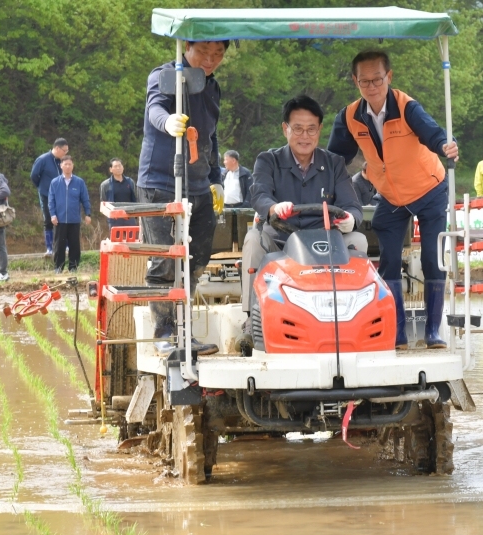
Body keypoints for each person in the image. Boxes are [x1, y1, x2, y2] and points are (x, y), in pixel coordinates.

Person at [328, 50, 459, 350]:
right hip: (390, 194)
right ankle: (397, 333)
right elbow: (335, 159)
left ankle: (433, 333)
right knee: (388, 260)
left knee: (431, 259)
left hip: (429, 189)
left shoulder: (406, 106)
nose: (372, 87)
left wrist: (445, 146)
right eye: (364, 81)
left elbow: (432, 133)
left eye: (377, 79)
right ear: (355, 81)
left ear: (389, 77)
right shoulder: (349, 116)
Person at [138, 40, 229, 356]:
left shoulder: (212, 87)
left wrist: (216, 179)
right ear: (186, 49)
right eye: (204, 52)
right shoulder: (166, 76)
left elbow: (212, 138)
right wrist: (168, 122)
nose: (210, 60)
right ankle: (165, 334)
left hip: (200, 185)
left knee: (196, 260)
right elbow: (155, 109)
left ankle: (184, 334)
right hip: (162, 182)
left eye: (218, 54)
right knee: (165, 261)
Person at [243, 95, 368, 313]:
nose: (305, 136)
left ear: (319, 130)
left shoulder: (334, 164)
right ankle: (252, 317)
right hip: (280, 242)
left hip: (324, 244)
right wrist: (274, 207)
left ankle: (351, 312)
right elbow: (259, 195)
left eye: (311, 129)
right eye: (298, 128)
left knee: (358, 239)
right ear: (285, 129)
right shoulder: (268, 160)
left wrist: (350, 219)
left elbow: (352, 205)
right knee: (253, 239)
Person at [48, 156, 91, 273]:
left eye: (70, 164)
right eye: (65, 164)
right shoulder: (55, 182)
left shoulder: (79, 182)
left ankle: (73, 267)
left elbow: (85, 199)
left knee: (74, 245)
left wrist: (88, 213)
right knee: (59, 245)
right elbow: (51, 200)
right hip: (59, 219)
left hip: (74, 219)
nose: (67, 166)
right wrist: (53, 215)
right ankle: (58, 267)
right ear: (61, 165)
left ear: (73, 166)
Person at [30, 138, 68, 256]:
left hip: (61, 194)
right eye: (64, 151)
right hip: (46, 195)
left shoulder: (62, 161)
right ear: (57, 148)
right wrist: (42, 187)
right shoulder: (43, 159)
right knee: (48, 219)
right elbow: (34, 176)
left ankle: (64, 246)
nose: (65, 153)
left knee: (63, 220)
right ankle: (49, 248)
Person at [99, 158, 136, 230]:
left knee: (132, 240)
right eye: (115, 166)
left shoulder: (130, 182)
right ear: (110, 169)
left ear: (123, 167)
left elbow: (135, 198)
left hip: (129, 217)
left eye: (120, 165)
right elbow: (103, 203)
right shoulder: (105, 185)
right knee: (117, 241)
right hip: (115, 219)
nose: (118, 168)